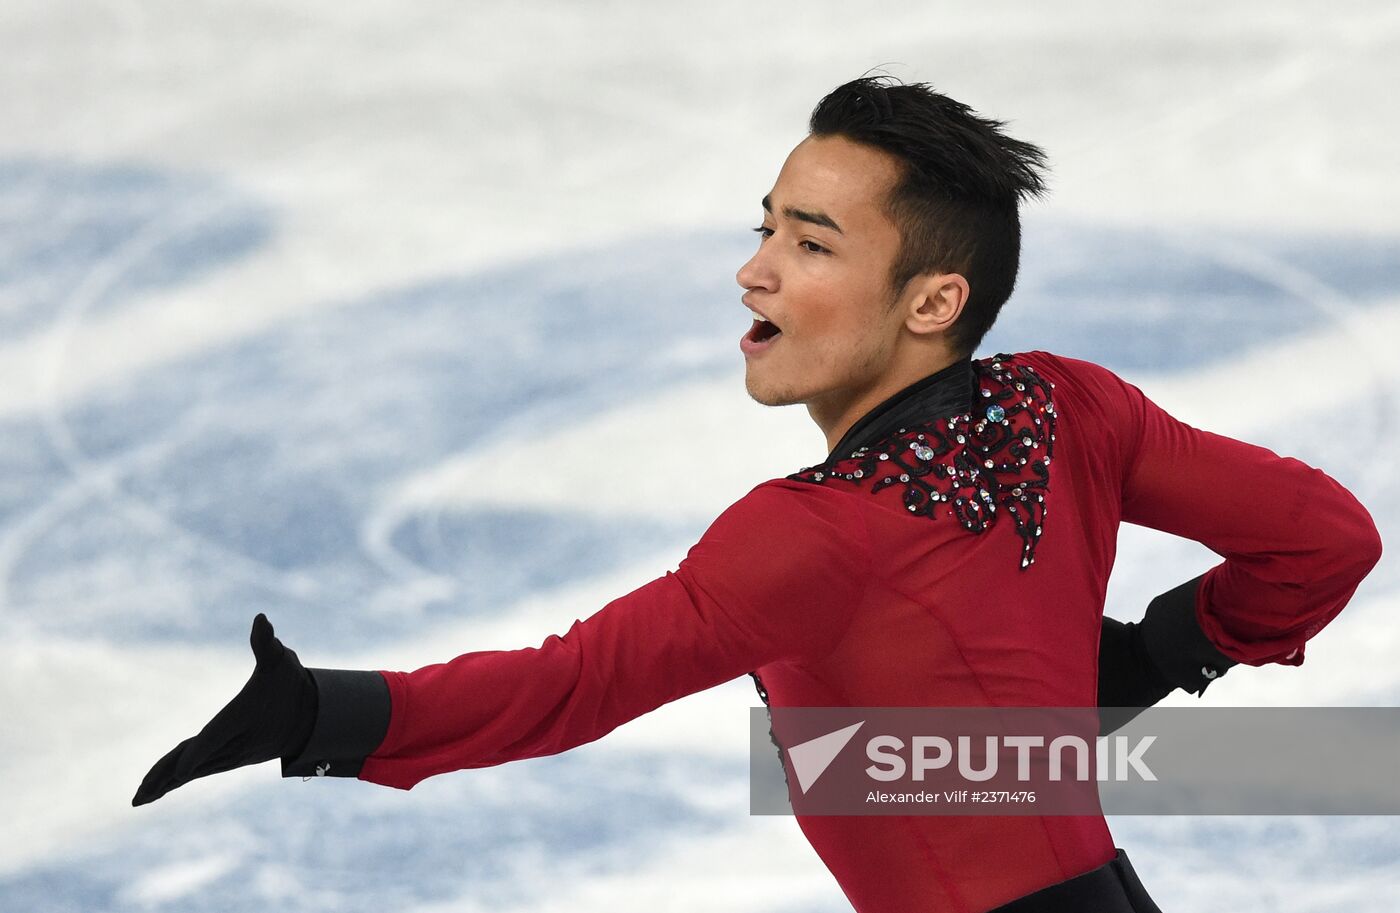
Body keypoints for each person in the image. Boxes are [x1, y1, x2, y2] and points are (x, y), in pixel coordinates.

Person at [132, 76, 1382, 912]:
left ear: (933, 302)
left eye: (810, 244)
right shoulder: (1065, 407)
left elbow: (566, 689)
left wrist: (314, 712)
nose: (752, 272)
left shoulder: (807, 538)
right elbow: (1321, 537)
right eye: (767, 228)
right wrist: (1151, 652)